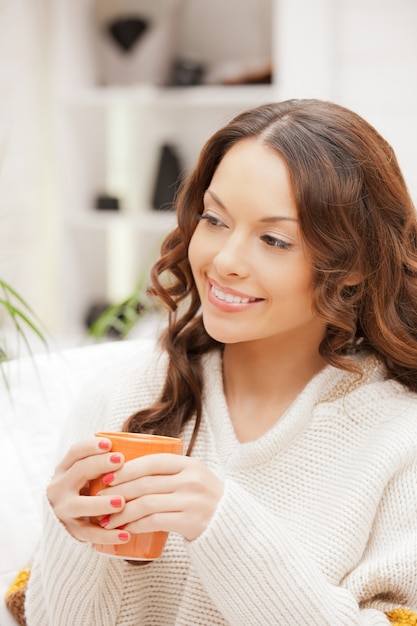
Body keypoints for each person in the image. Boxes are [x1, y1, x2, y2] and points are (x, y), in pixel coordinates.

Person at [26, 99, 417, 625]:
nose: (225, 261)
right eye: (214, 218)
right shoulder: (122, 399)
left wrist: (224, 526)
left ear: (354, 266)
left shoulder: (399, 438)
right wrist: (70, 536)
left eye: (274, 239)